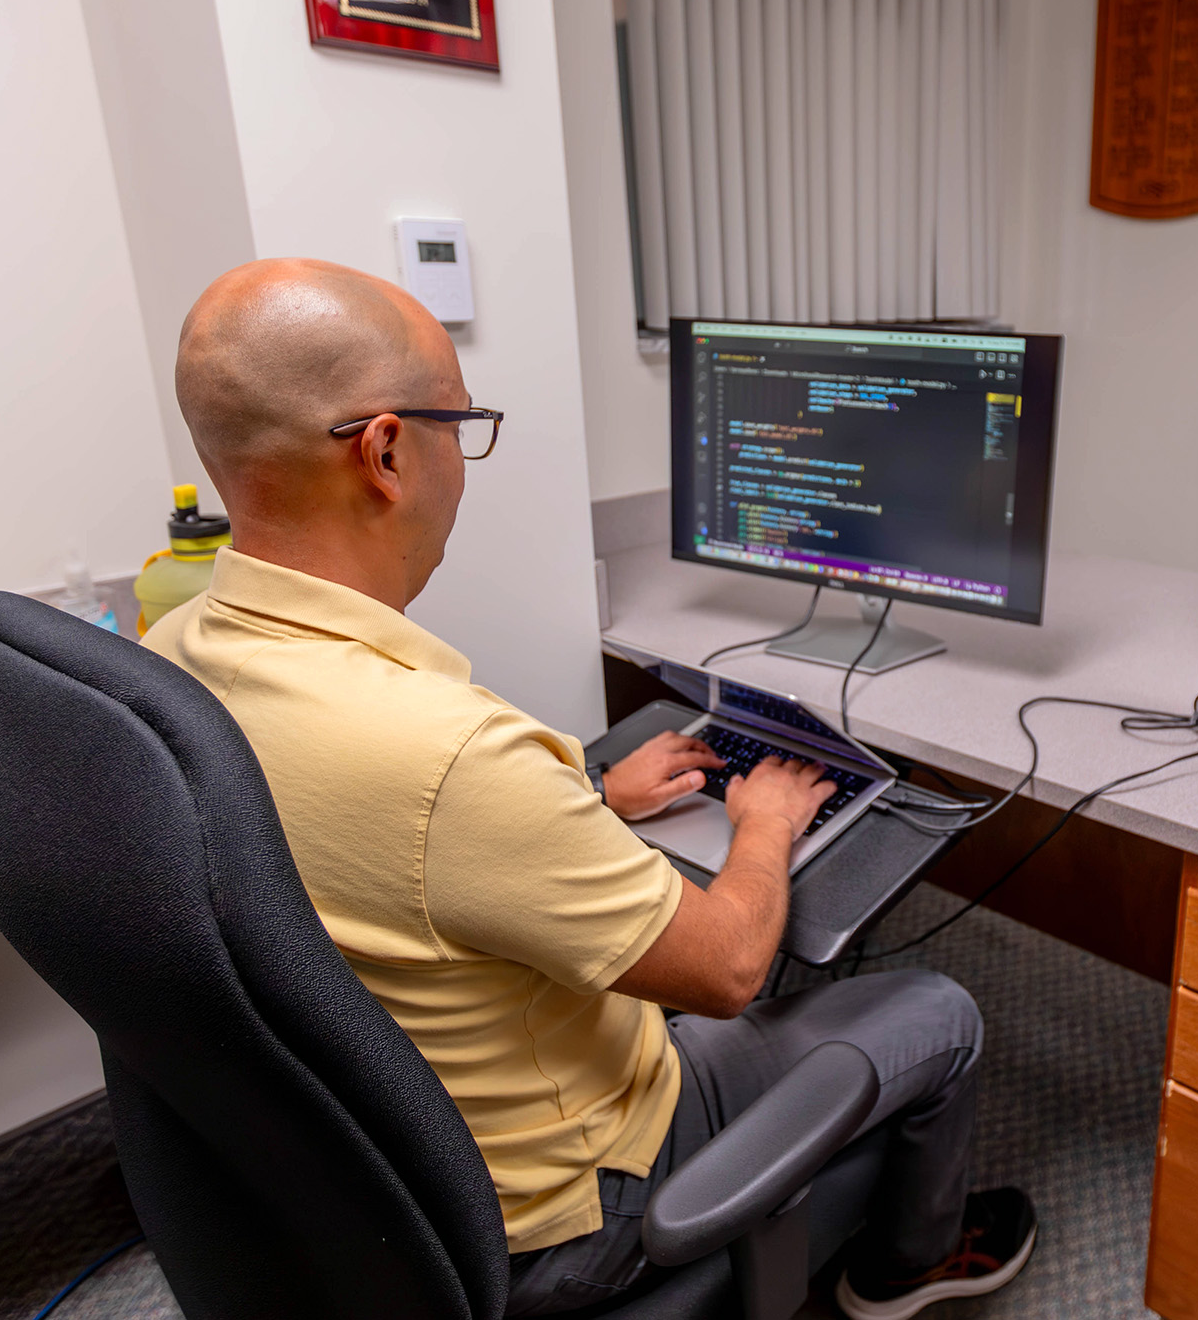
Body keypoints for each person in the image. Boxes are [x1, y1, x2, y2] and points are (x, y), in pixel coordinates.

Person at [141, 258, 1034, 1318]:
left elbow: (378, 848)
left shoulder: (175, 651)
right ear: (386, 450)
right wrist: (761, 824)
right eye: (456, 428)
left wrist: (590, 800)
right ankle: (906, 1265)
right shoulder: (449, 751)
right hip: (560, 1206)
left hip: (376, 1165)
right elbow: (731, 968)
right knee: (938, 1003)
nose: (462, 463)